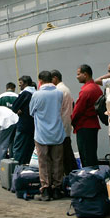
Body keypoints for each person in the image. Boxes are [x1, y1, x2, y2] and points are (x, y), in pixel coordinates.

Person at [30, 71, 66, 201]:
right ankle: (57, 188)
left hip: (42, 134)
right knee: (57, 161)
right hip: (57, 132)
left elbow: (31, 111)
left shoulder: (37, 94)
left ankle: (45, 189)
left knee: (43, 162)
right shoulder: (59, 93)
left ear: (40, 80)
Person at [71, 64, 102, 167]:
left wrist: (72, 122)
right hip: (93, 125)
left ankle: (88, 177)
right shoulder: (97, 88)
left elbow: (77, 110)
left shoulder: (86, 90)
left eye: (78, 74)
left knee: (85, 156)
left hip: (84, 126)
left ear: (85, 74)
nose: (77, 76)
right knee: (92, 155)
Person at [51, 69, 78, 175]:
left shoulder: (59, 90)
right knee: (67, 151)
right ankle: (72, 173)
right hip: (66, 123)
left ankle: (70, 174)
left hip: (61, 125)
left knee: (64, 154)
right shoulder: (65, 89)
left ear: (55, 78)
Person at [12, 76, 36, 164]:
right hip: (33, 125)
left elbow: (14, 107)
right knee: (29, 148)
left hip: (23, 125)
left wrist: (19, 110)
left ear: (25, 83)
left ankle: (16, 168)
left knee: (18, 148)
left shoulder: (25, 93)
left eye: (21, 83)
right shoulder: (35, 93)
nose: (19, 85)